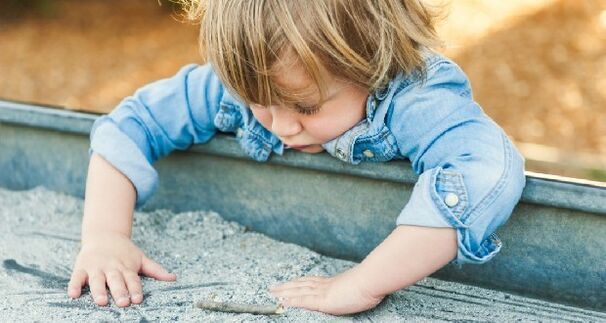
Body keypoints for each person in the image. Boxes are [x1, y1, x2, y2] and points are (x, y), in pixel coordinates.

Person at [67, 0, 526, 315]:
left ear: (374, 64)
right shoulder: (238, 84)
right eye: (257, 102)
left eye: (306, 108)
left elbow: (483, 172)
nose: (281, 126)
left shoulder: (415, 94)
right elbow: (129, 124)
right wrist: (105, 237)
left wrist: (364, 282)